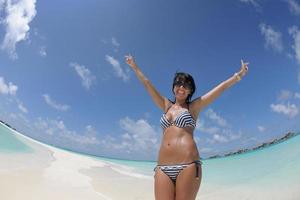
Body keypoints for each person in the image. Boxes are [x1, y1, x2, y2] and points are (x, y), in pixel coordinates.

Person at [125, 54, 249, 200]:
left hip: (188, 166)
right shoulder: (165, 106)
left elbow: (220, 89)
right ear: (173, 88)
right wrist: (134, 67)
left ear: (191, 90)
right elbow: (147, 83)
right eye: (178, 83)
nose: (182, 86)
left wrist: (238, 75)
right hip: (162, 168)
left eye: (186, 85)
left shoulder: (193, 107)